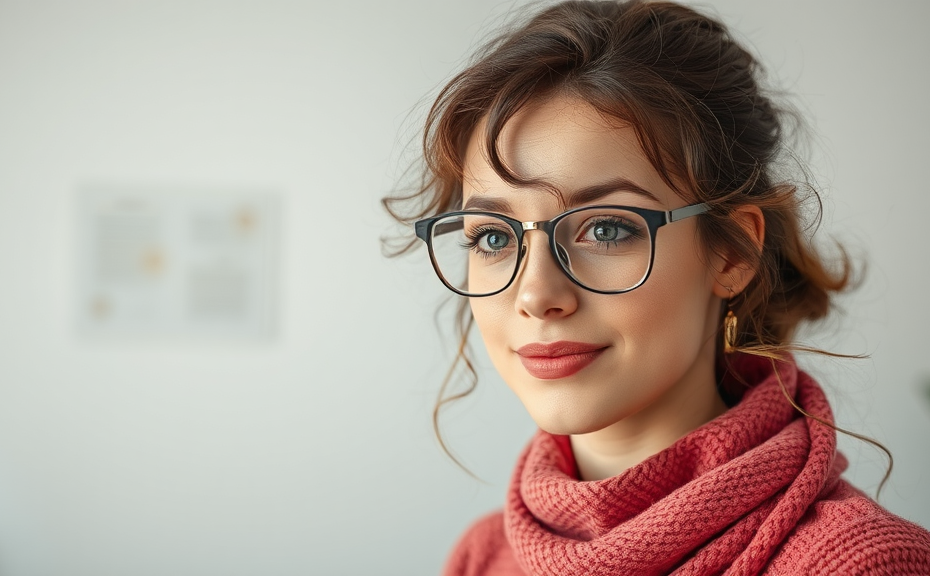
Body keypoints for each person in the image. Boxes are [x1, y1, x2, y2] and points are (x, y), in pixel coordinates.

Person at [384, 1, 930, 574]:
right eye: (493, 238)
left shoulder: (860, 564)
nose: (535, 294)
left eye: (605, 228)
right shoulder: (482, 557)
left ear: (732, 252)